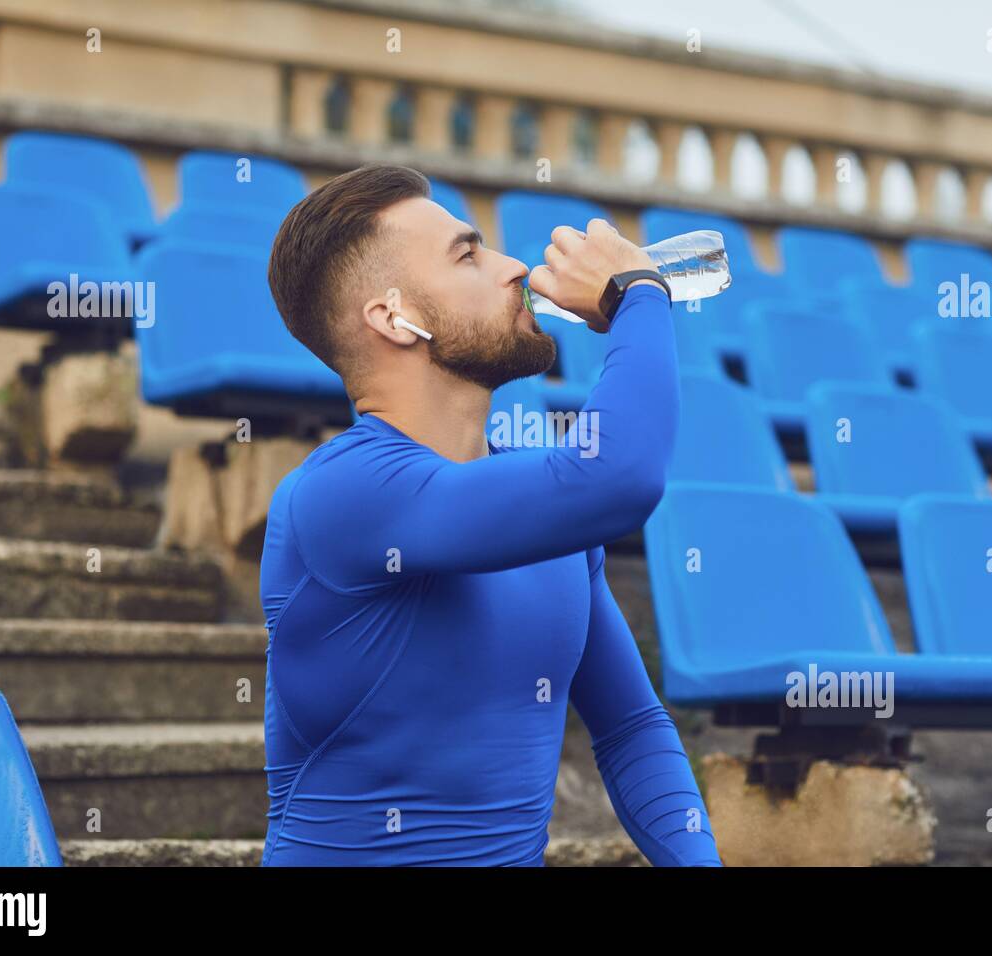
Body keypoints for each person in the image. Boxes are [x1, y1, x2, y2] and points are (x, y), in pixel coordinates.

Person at [259, 163, 721, 866]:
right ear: (393, 317)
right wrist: (639, 295)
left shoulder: (545, 518)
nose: (513, 268)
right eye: (468, 254)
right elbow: (616, 478)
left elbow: (630, 727)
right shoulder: (342, 492)